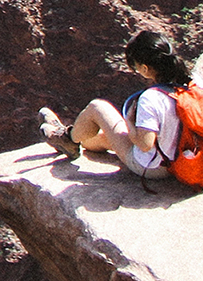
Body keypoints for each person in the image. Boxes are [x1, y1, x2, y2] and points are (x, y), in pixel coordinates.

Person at [38, 29, 192, 178]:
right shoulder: (193, 85)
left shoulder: (151, 98)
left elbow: (145, 144)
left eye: (136, 66)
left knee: (97, 107)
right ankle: (76, 141)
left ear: (145, 68)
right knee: (104, 138)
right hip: (185, 160)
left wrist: (130, 123)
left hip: (154, 168)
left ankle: (67, 139)